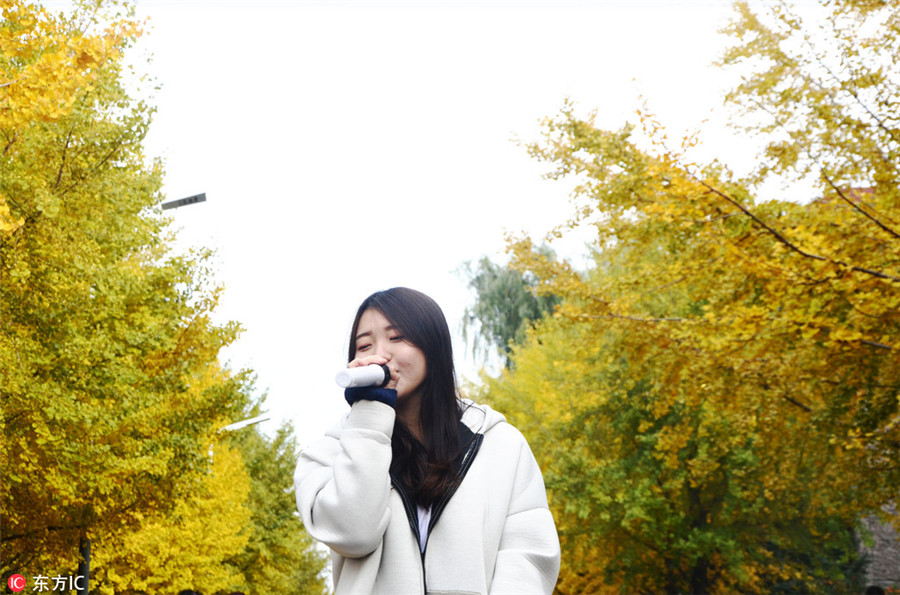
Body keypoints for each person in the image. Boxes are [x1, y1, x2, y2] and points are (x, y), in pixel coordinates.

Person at [294, 287, 560, 594]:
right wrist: (369, 420)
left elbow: (527, 556)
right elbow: (353, 535)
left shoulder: (501, 444)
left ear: (432, 347)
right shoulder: (330, 453)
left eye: (396, 338)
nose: (380, 354)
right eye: (364, 345)